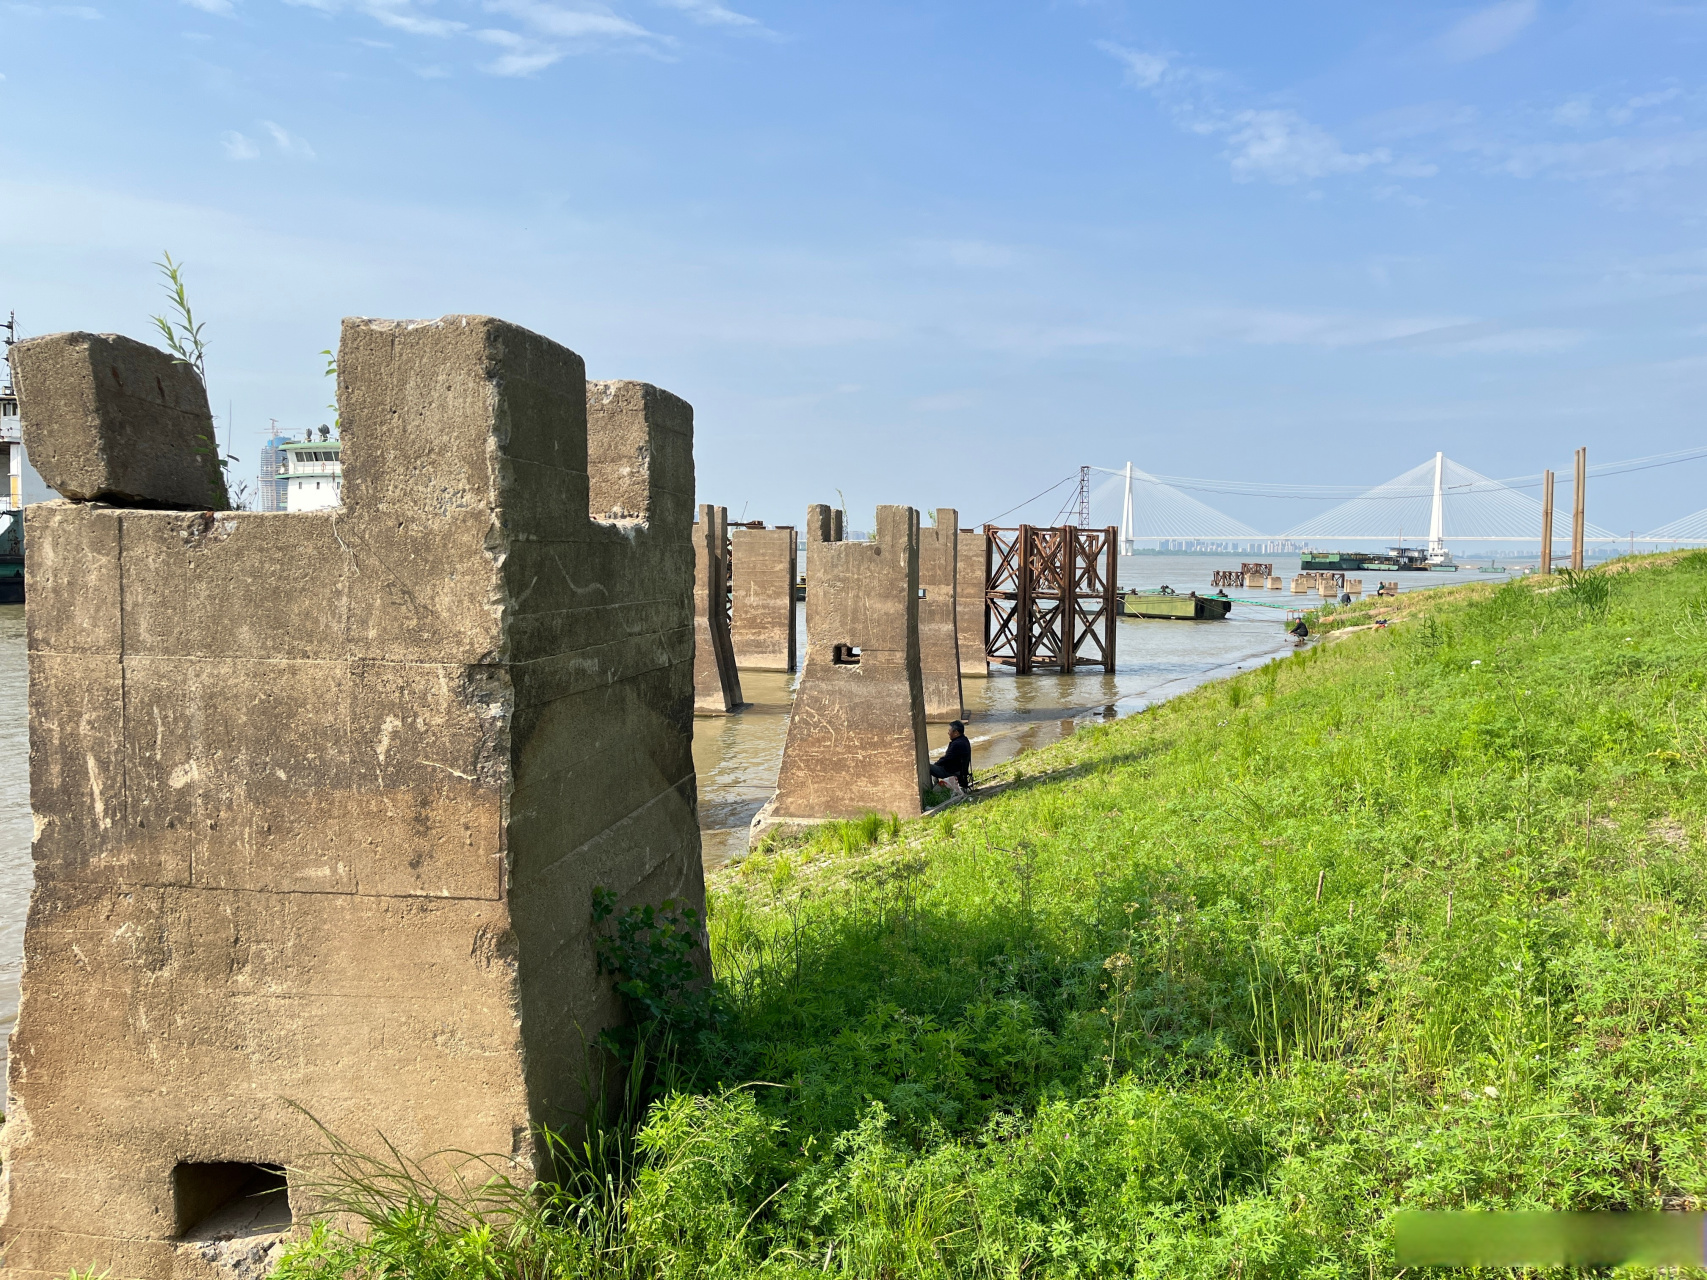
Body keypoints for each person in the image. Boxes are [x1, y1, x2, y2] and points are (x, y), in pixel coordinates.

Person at [931, 720, 972, 792]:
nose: (948, 733)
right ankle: (937, 785)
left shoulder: (956, 744)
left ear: (956, 733)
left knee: (928, 766)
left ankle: (935, 788)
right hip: (960, 772)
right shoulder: (964, 740)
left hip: (951, 772)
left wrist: (936, 764)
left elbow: (946, 758)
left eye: (949, 731)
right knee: (934, 764)